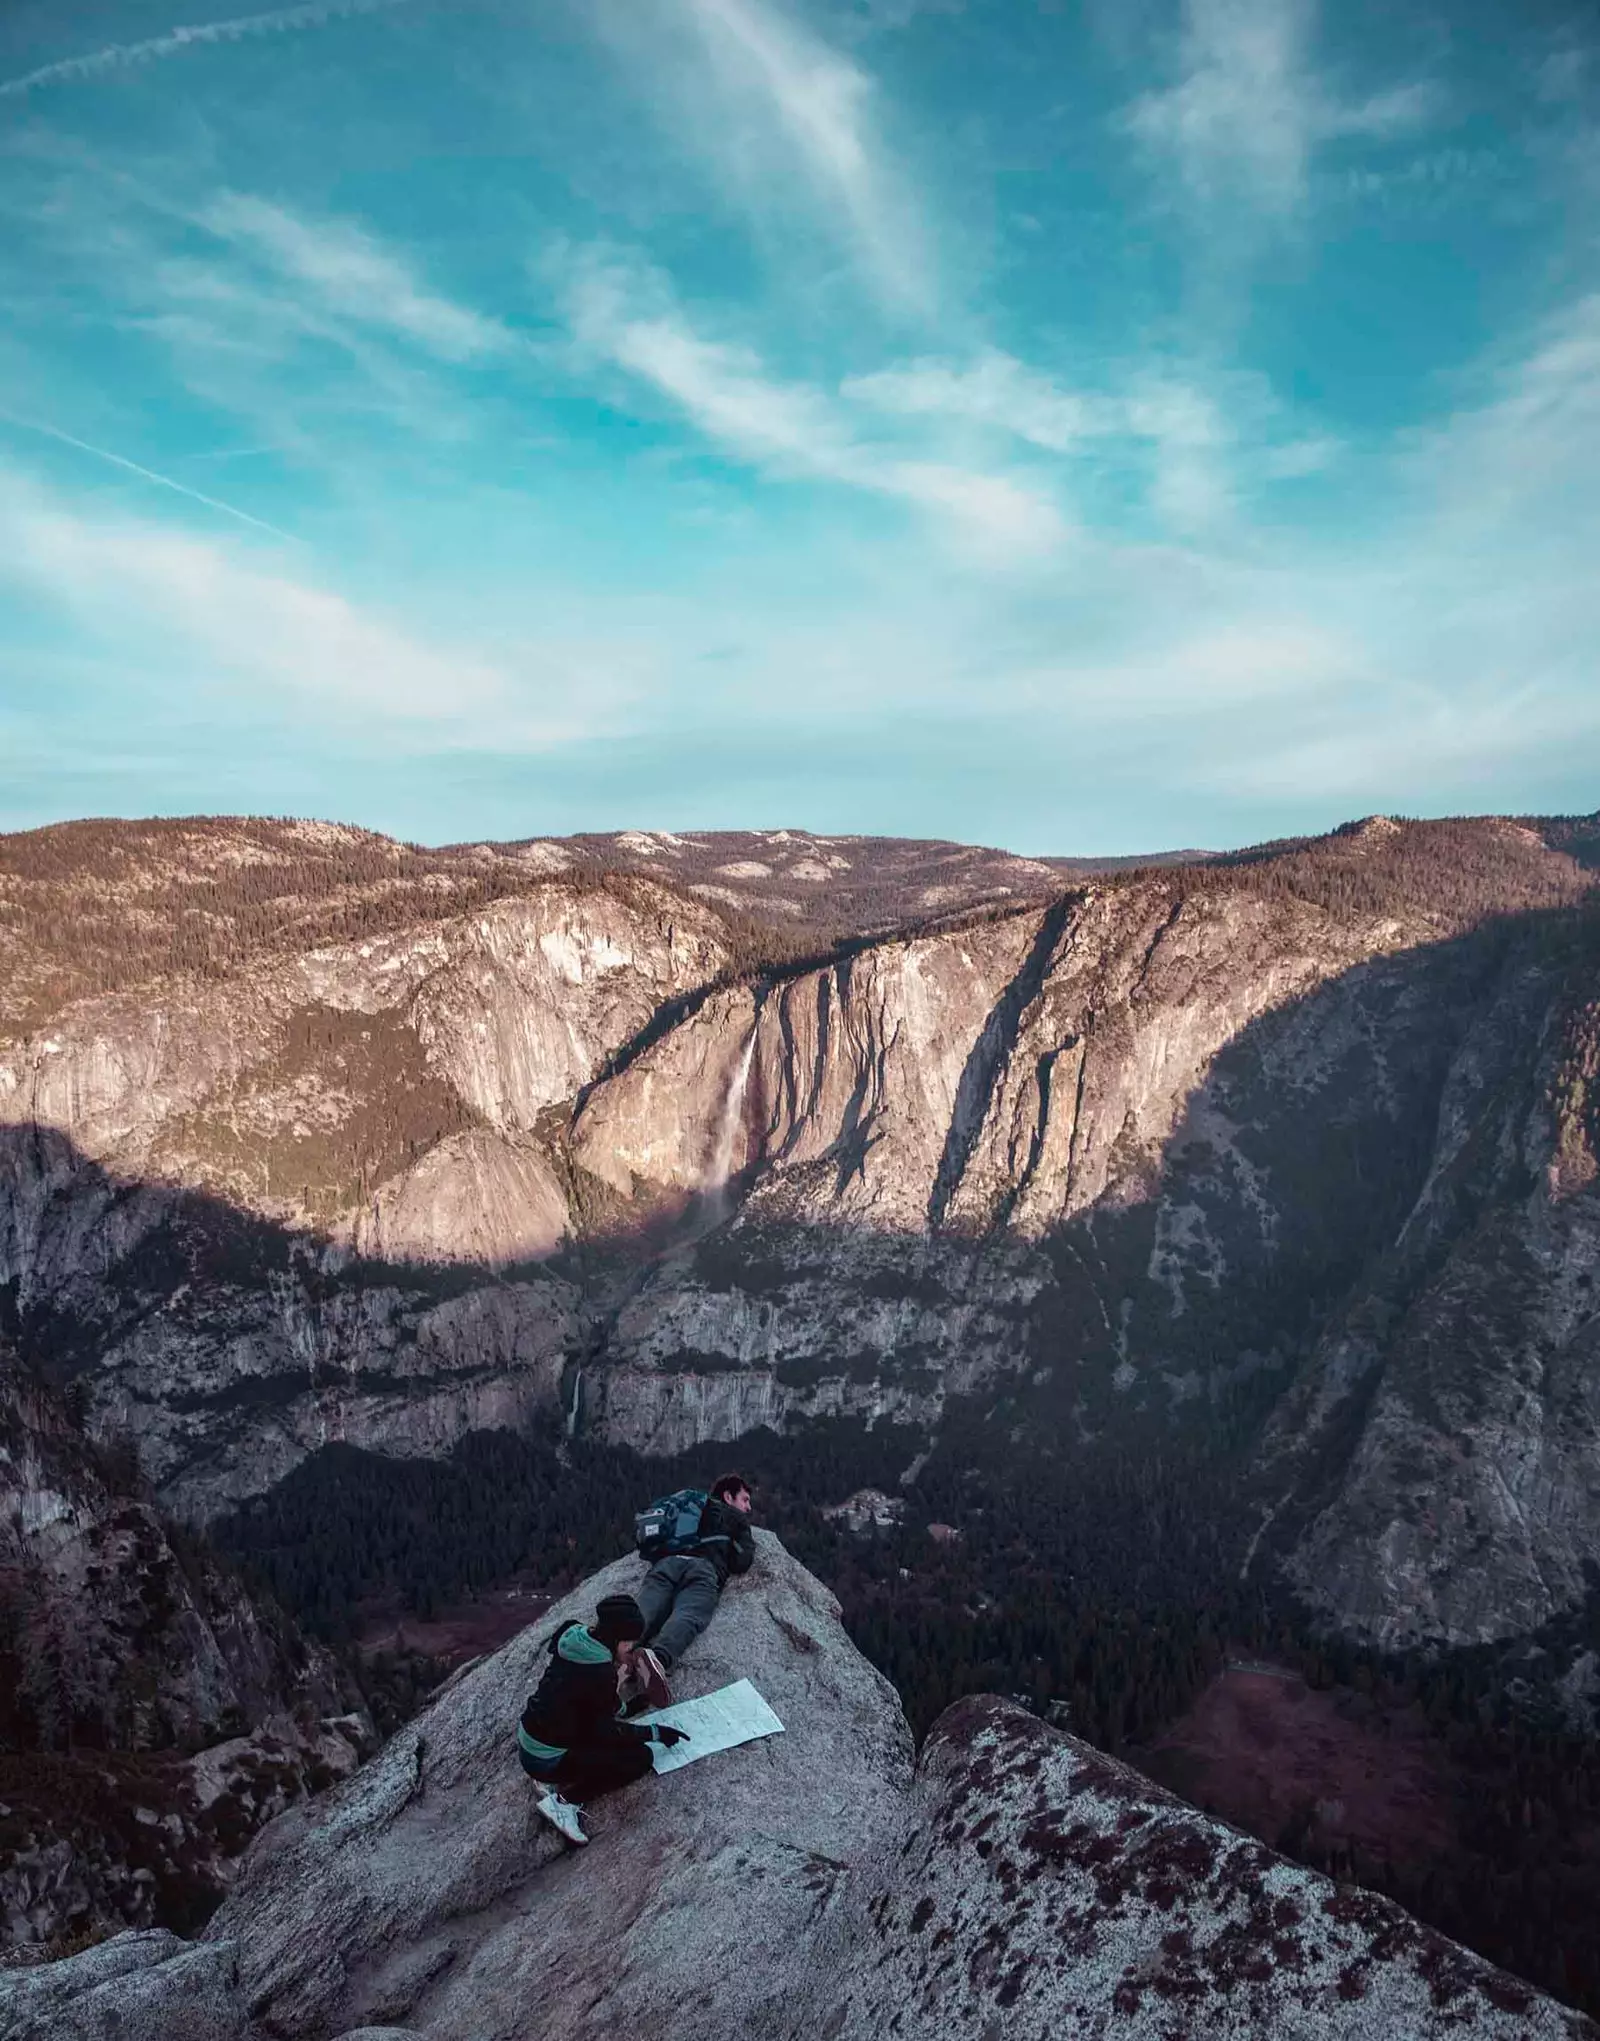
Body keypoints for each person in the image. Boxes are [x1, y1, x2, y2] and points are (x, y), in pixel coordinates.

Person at [516, 1592, 689, 1845]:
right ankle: (564, 1802)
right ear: (615, 1638)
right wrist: (655, 1733)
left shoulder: (572, 1633)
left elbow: (587, 1702)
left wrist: (629, 1705)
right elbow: (605, 1731)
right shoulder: (598, 1674)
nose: (631, 1647)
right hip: (546, 1759)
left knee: (588, 1728)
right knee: (639, 1758)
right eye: (628, 1642)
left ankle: (547, 1777)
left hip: (531, 1735)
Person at [630, 1473, 755, 1706]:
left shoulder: (691, 1507)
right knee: (688, 1613)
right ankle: (656, 1660)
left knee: (645, 1608)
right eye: (745, 1499)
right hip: (703, 1570)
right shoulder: (734, 1518)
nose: (748, 1507)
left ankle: (620, 1649)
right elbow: (742, 1562)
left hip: (667, 1563)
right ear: (728, 1496)